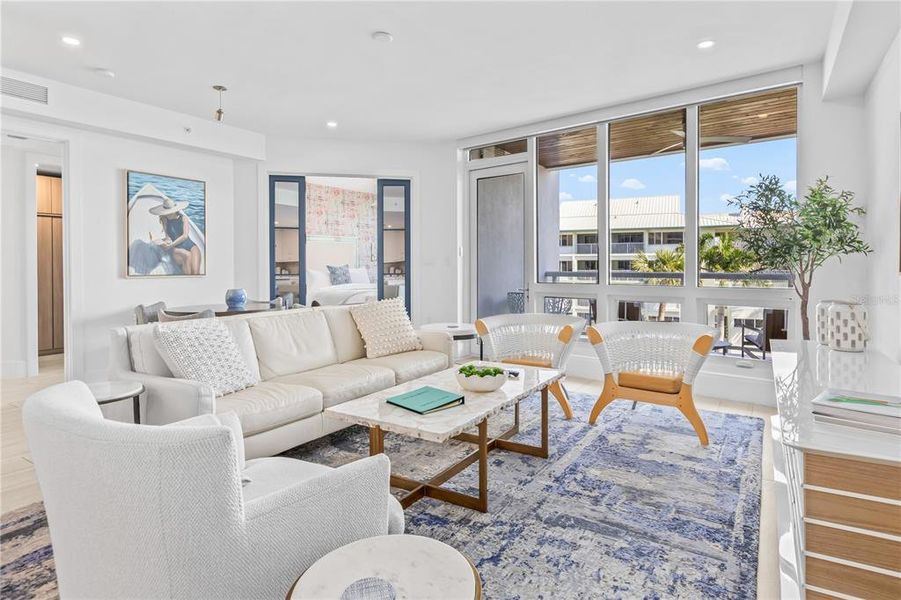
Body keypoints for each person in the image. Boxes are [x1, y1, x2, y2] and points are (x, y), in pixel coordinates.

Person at [149, 197, 202, 275]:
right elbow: (168, 237)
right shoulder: (164, 219)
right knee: (187, 258)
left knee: (196, 273)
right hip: (176, 248)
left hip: (191, 246)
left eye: (169, 212)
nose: (167, 214)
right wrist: (165, 242)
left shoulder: (184, 218)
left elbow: (185, 236)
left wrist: (170, 245)